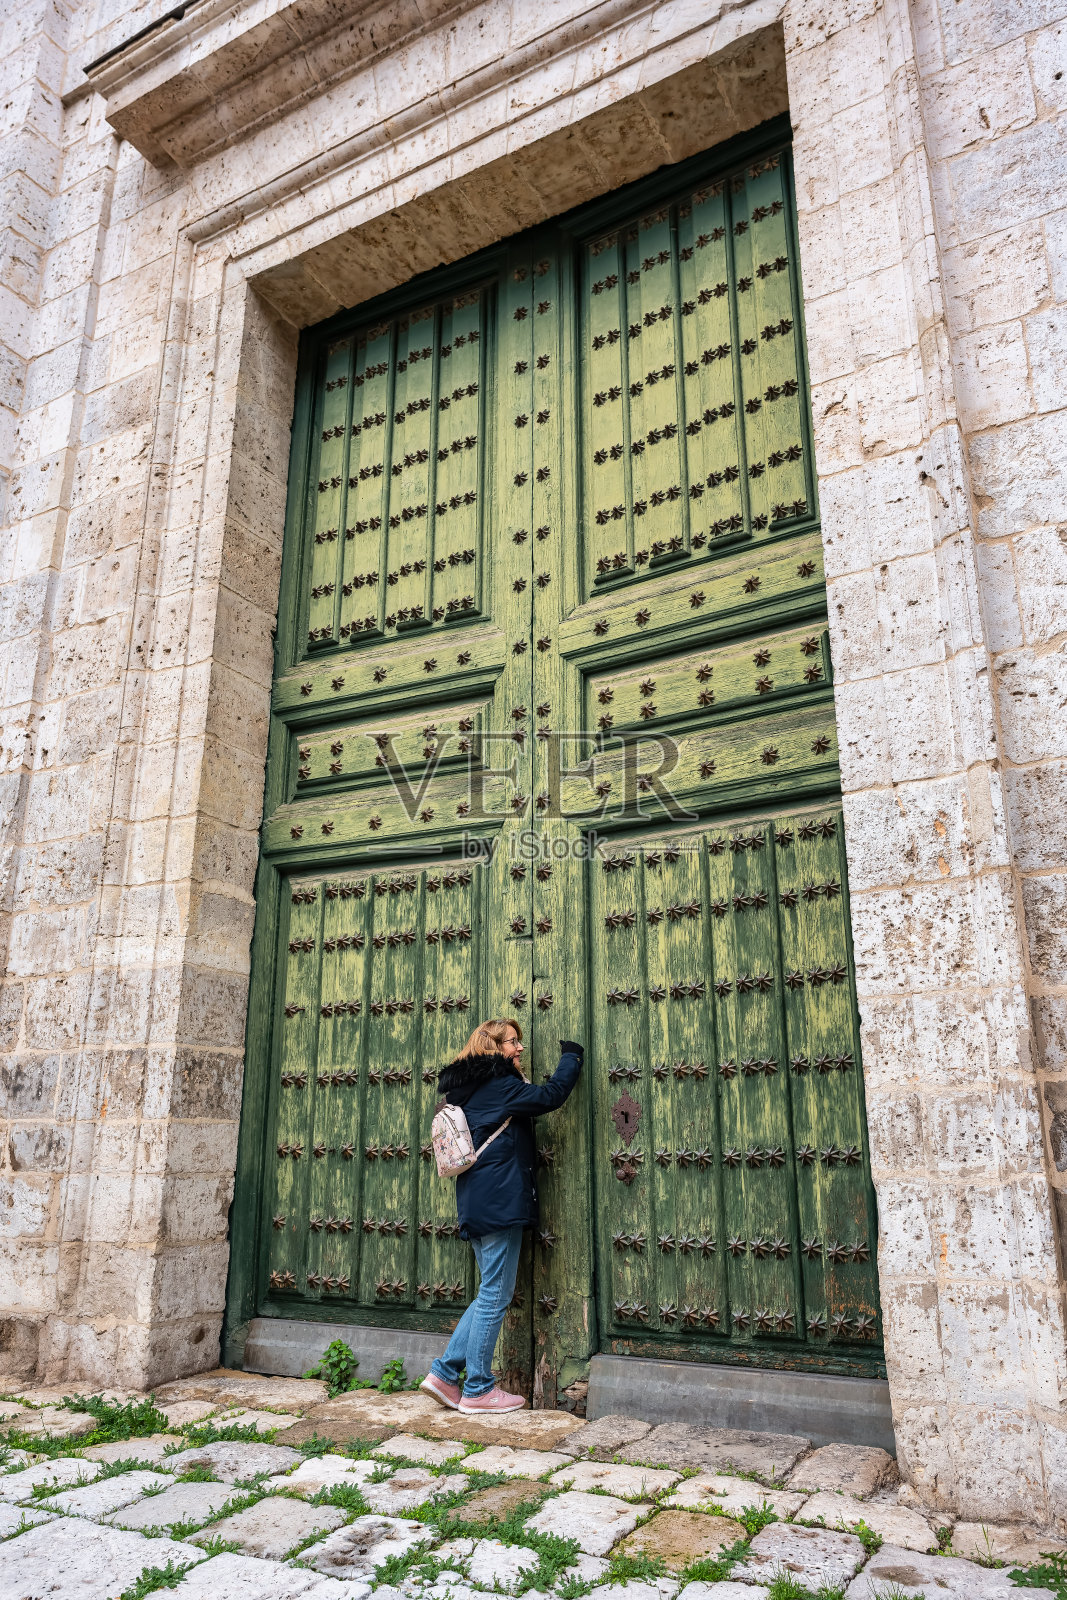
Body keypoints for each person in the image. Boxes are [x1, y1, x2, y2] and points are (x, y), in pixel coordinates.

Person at [420, 1018, 583, 1414]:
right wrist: (571, 1056)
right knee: (495, 1294)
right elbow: (549, 1097)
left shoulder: (467, 1090)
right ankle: (478, 1389)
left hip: (477, 1201)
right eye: (513, 1042)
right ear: (492, 1047)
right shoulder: (499, 1085)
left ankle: (444, 1375)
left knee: (488, 1291)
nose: (520, 1048)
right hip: (499, 1202)